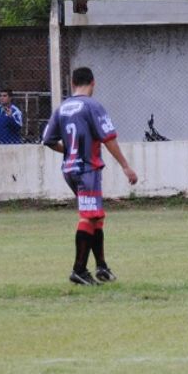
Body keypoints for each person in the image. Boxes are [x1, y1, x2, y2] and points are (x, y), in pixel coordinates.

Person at [43, 67, 138, 286]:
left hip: (70, 169)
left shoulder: (62, 108)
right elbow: (109, 138)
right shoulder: (93, 106)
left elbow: (47, 140)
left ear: (73, 83)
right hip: (87, 170)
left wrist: (68, 151)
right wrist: (125, 166)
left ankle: (102, 267)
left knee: (96, 215)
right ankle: (78, 270)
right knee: (88, 216)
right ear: (93, 83)